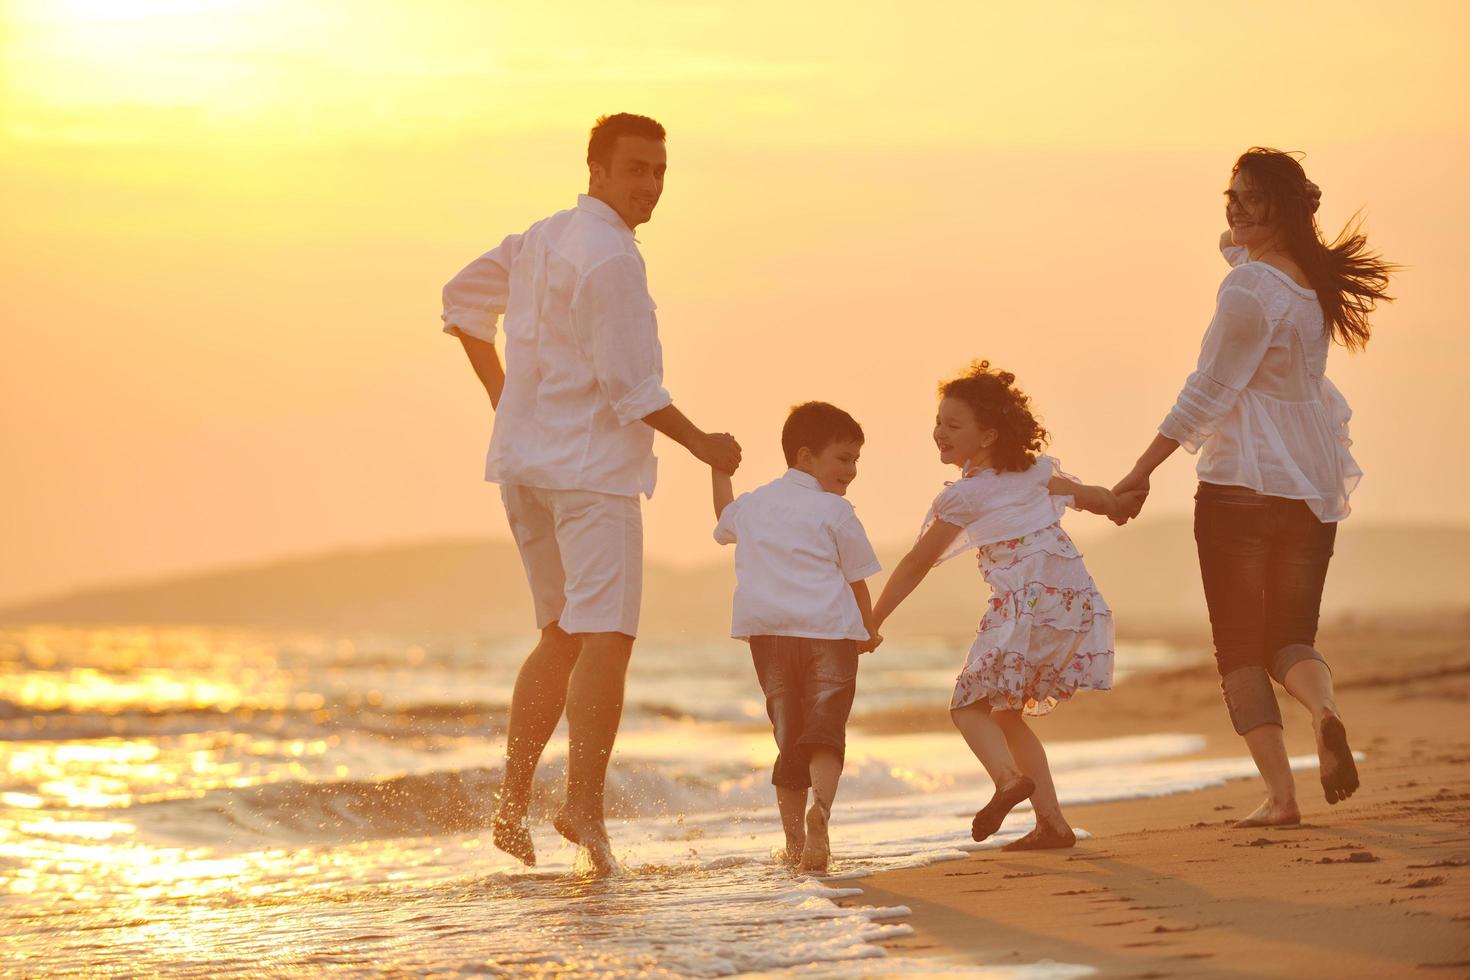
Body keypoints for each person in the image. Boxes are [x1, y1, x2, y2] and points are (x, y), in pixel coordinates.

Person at [440, 113, 742, 873]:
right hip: (588, 476)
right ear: (597, 171)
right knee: (606, 636)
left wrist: (505, 397)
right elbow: (631, 386)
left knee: (561, 635)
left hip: (525, 467)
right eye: (636, 169)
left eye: (660, 172)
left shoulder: (542, 236)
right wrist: (705, 443)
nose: (650, 186)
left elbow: (462, 300)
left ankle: (513, 807)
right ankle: (582, 808)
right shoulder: (611, 258)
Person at [1111, 147, 1395, 828]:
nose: (1232, 209)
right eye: (1229, 196)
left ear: (1283, 210)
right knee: (1290, 637)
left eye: (1248, 199)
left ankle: (1282, 797)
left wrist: (1140, 470)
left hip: (1241, 484)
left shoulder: (1247, 290)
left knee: (1240, 648)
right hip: (1308, 483)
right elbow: (1235, 246)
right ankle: (1324, 712)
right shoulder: (1309, 280)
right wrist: (1254, 228)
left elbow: (1208, 391)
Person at [872, 362, 1133, 850]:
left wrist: (873, 620)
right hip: (1072, 601)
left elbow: (916, 561)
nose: (939, 433)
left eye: (953, 425)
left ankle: (1007, 780)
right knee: (1006, 714)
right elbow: (1089, 497)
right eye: (938, 422)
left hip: (1027, 604)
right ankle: (1052, 824)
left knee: (967, 707)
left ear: (988, 435)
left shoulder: (965, 497)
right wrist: (1117, 505)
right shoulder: (1036, 473)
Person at [711, 402, 882, 872]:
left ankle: (792, 844)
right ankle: (820, 814)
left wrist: (718, 470)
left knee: (788, 736)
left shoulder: (754, 503)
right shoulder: (836, 511)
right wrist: (868, 629)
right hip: (828, 633)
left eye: (855, 461)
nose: (851, 471)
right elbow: (857, 578)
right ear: (806, 457)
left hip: (769, 637)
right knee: (826, 730)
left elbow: (724, 516)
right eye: (844, 458)